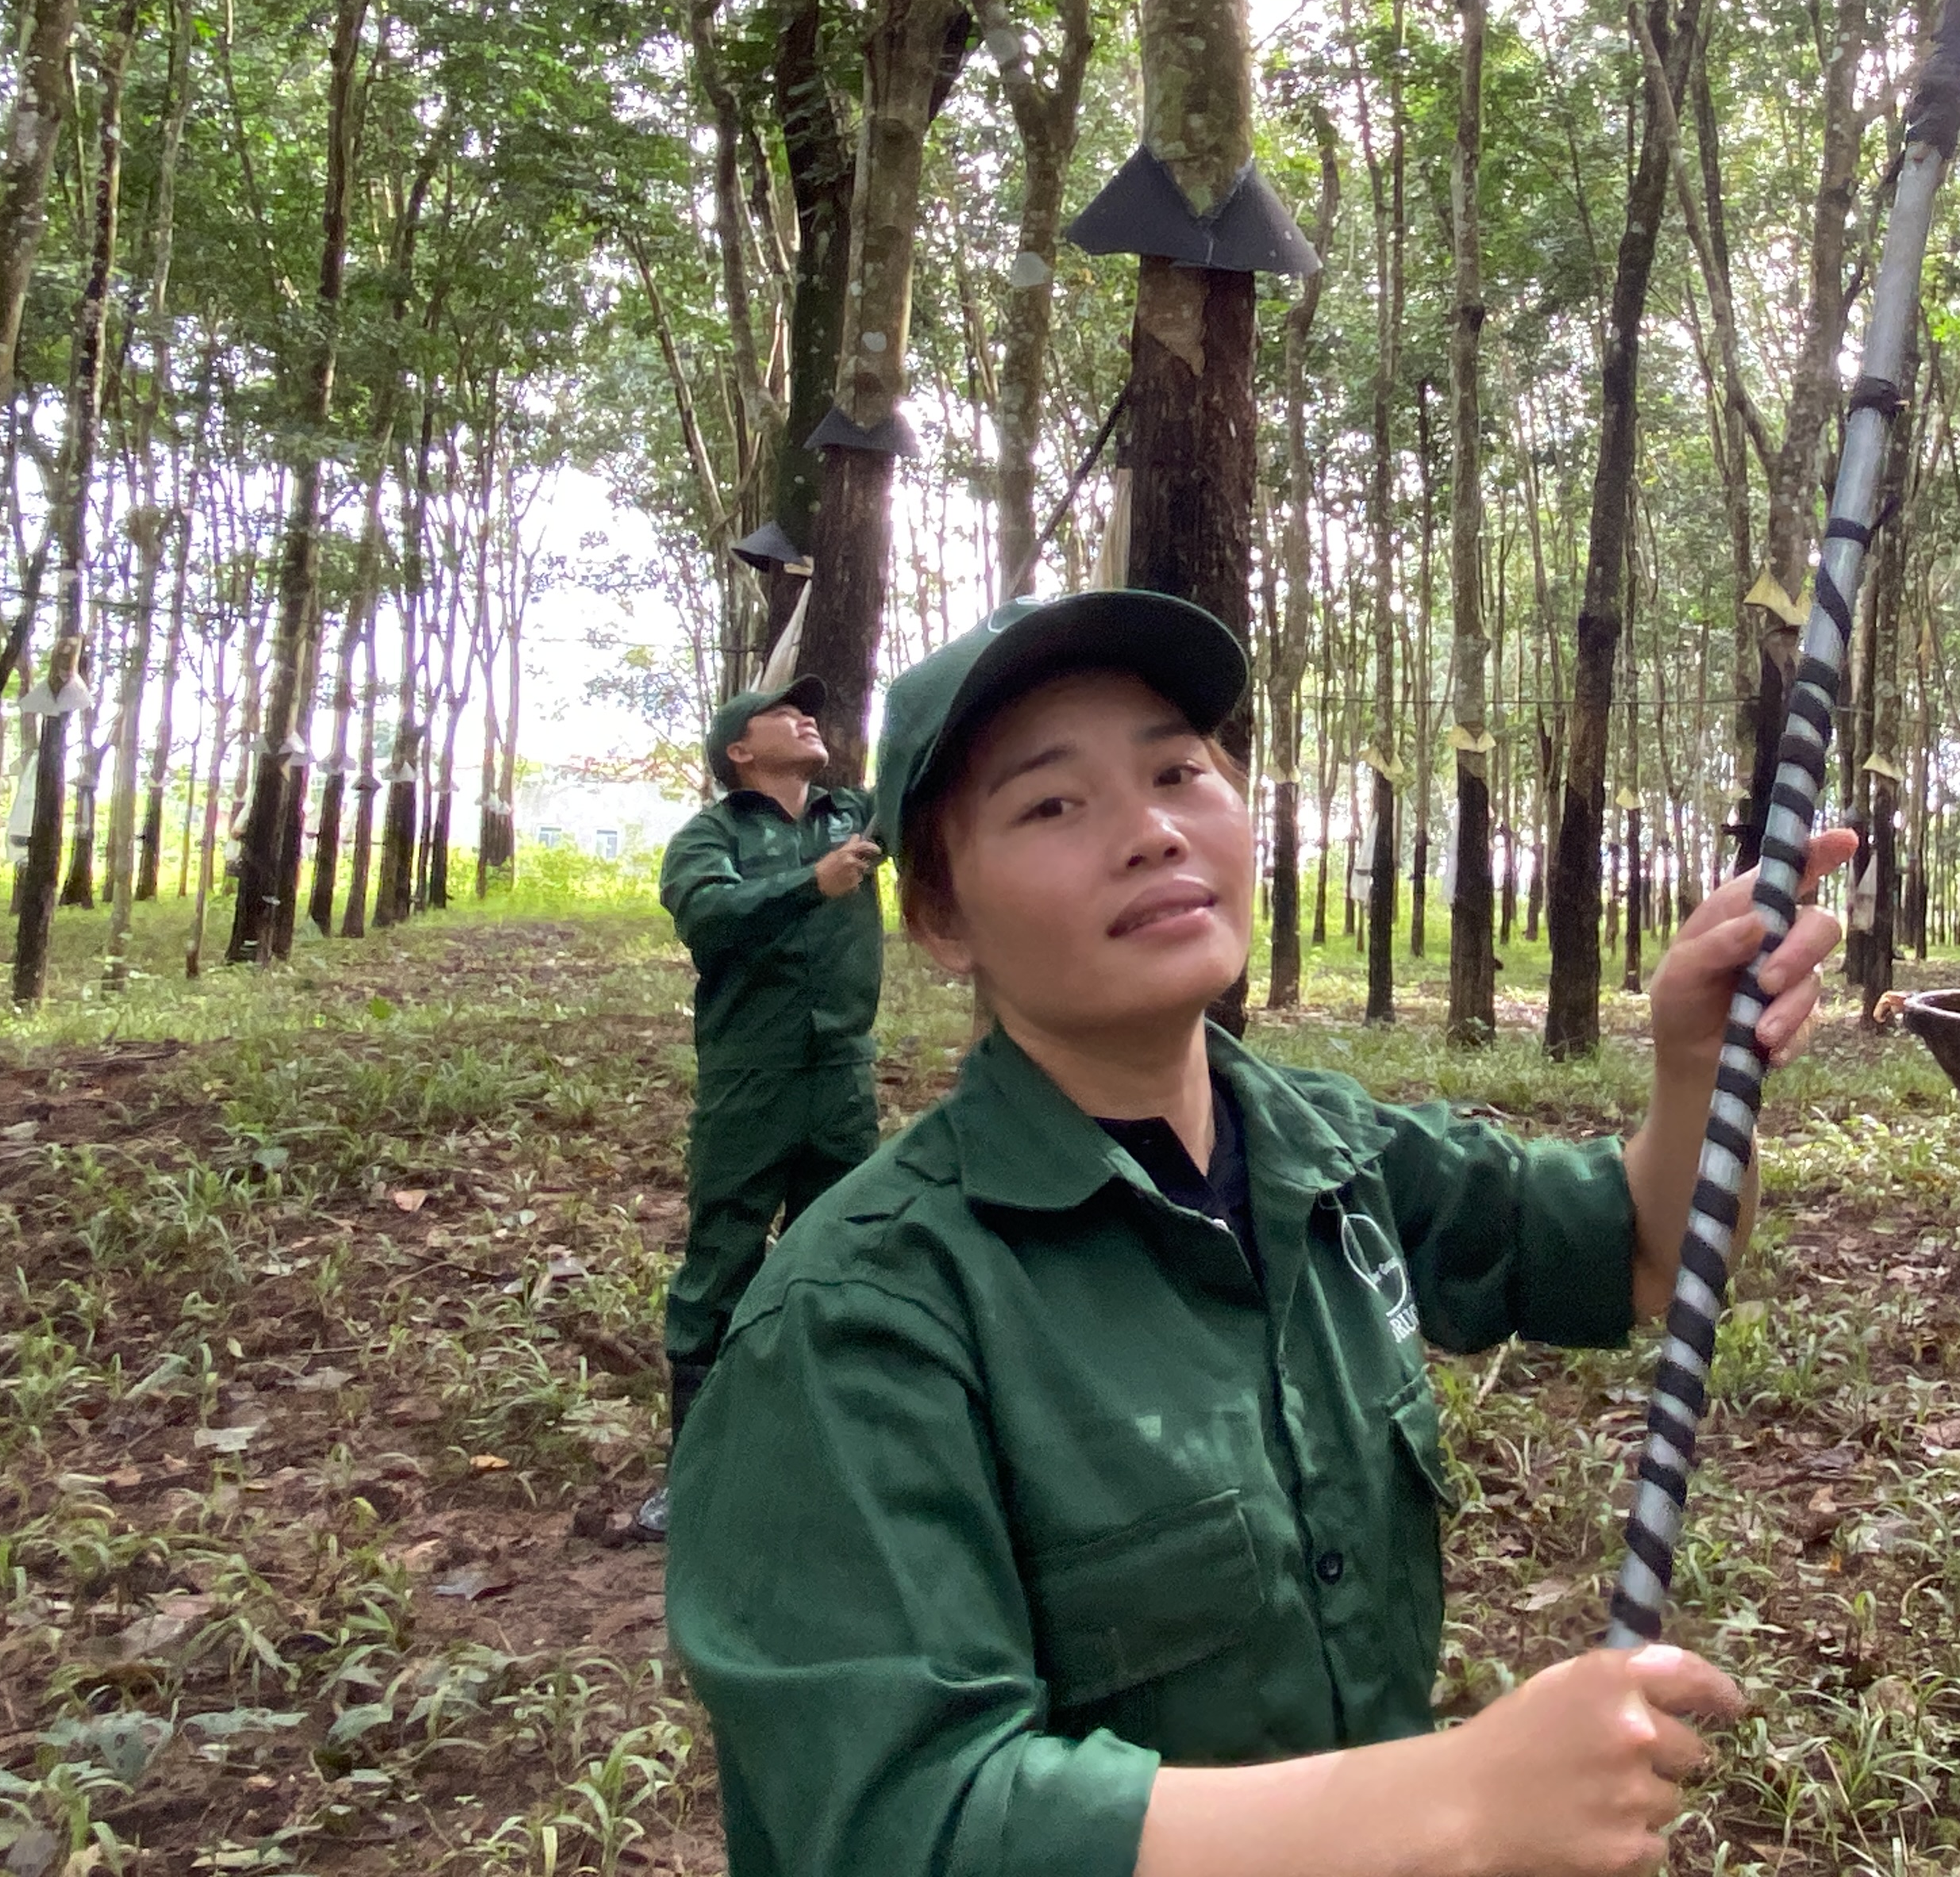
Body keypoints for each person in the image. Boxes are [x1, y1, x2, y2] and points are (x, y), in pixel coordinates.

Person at [664, 589, 1852, 1877]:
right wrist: (1452, 1798)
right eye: (1053, 802)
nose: (1152, 829)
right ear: (943, 920)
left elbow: (1639, 1247)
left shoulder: (1324, 1150)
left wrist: (1688, 1061)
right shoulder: (857, 1312)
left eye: (1179, 768)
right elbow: (908, 1819)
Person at [639, 673, 887, 1543]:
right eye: (783, 712)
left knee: (847, 1258)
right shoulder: (709, 835)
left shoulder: (854, 816)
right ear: (740, 751)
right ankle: (696, 1476)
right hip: (753, 1074)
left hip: (844, 1075)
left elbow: (931, 776)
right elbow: (706, 918)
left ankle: (835, 1458)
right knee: (722, 1259)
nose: (806, 716)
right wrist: (807, 886)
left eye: (807, 707)